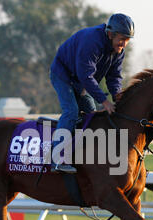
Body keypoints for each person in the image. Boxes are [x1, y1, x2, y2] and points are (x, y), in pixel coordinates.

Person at [49, 13, 135, 174]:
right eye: (122, 39)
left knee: (91, 115)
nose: (124, 44)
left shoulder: (119, 50)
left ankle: (82, 156)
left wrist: (117, 95)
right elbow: (86, 76)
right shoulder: (92, 41)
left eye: (127, 40)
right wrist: (104, 101)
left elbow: (114, 76)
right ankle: (56, 159)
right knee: (71, 111)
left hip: (81, 80)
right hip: (63, 75)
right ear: (110, 34)